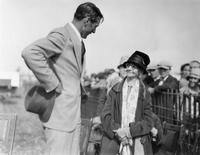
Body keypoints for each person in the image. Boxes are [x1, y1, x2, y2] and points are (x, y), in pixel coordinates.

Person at [21, 2, 103, 155]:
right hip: (59, 116)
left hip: (71, 116)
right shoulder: (63, 35)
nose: (94, 31)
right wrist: (53, 83)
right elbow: (30, 53)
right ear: (86, 21)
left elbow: (69, 72)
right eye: (94, 27)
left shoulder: (76, 40)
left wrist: (79, 91)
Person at [100, 51, 153, 155]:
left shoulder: (144, 93)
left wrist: (129, 132)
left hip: (136, 140)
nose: (129, 69)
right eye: (128, 65)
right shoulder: (115, 90)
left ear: (140, 71)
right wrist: (119, 133)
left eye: (134, 67)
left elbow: (148, 121)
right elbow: (105, 115)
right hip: (114, 138)